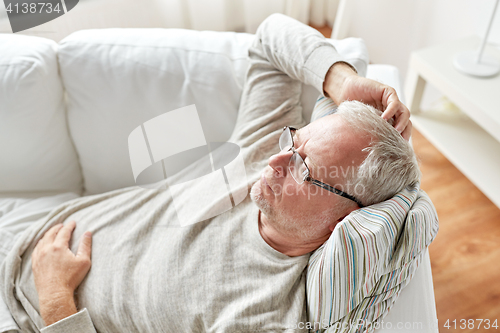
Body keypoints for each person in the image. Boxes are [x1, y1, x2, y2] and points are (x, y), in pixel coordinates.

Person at [0, 13, 418, 333]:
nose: (275, 162)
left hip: (24, 313)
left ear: (344, 218)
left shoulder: (260, 316)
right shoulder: (258, 156)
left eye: (302, 168)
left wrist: (54, 295)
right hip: (26, 228)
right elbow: (271, 36)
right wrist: (341, 82)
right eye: (294, 141)